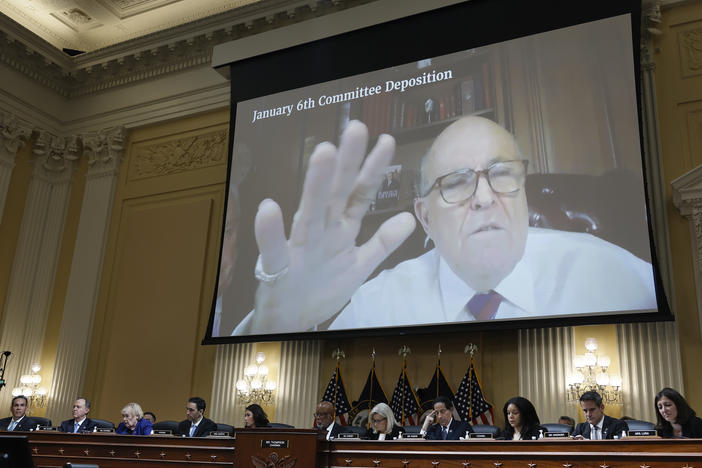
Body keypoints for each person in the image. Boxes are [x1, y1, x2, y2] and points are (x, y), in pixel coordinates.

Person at [233, 117, 656, 335]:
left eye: (503, 174)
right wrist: (276, 329)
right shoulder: (376, 305)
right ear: (424, 216)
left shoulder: (618, 276)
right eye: (456, 183)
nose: (486, 197)